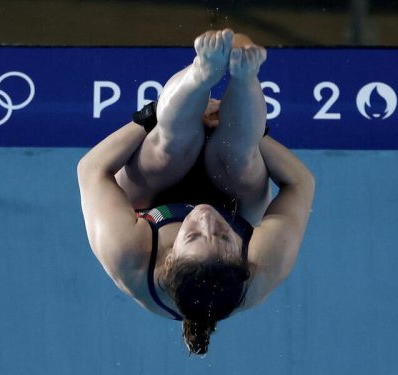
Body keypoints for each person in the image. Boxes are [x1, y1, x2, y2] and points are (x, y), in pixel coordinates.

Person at [77, 29, 315, 355]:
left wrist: (150, 115)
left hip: (153, 191)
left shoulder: (128, 255)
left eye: (192, 238)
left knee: (169, 146)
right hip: (232, 193)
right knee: (240, 152)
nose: (204, 218)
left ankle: (201, 71)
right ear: (242, 258)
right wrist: (252, 133)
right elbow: (300, 182)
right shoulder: (262, 268)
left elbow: (91, 169)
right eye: (222, 236)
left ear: (169, 258)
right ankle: (246, 78)